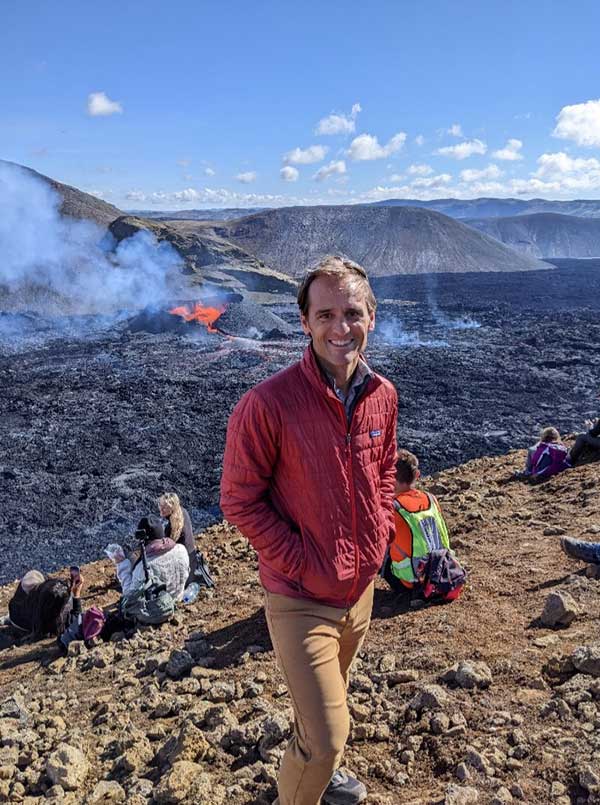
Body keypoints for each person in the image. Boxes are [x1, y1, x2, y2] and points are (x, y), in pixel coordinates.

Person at [221, 255, 397, 805]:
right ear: (304, 321)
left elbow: (387, 468)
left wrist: (376, 537)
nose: (340, 328)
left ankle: (324, 774)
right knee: (325, 737)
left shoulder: (382, 396)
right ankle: (310, 780)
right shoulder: (267, 404)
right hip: (300, 597)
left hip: (359, 591)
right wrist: (300, 561)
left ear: (371, 315)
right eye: (325, 315)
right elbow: (238, 499)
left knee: (325, 707)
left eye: (351, 312)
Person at [381, 449, 451, 593]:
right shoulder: (431, 499)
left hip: (409, 582)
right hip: (439, 571)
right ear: (417, 475)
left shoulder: (393, 507)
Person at [111, 515, 189, 601]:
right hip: (177, 598)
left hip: (158, 608)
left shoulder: (144, 568)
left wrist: (122, 564)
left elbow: (129, 596)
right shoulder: (181, 549)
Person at [8, 570, 73, 638]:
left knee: (33, 575)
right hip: (36, 615)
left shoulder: (35, 614)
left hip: (19, 621)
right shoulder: (65, 618)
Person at [158, 492, 198, 581]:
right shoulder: (183, 511)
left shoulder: (171, 528)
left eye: (165, 507)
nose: (161, 508)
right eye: (160, 505)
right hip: (192, 558)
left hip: (183, 568)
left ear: (172, 508)